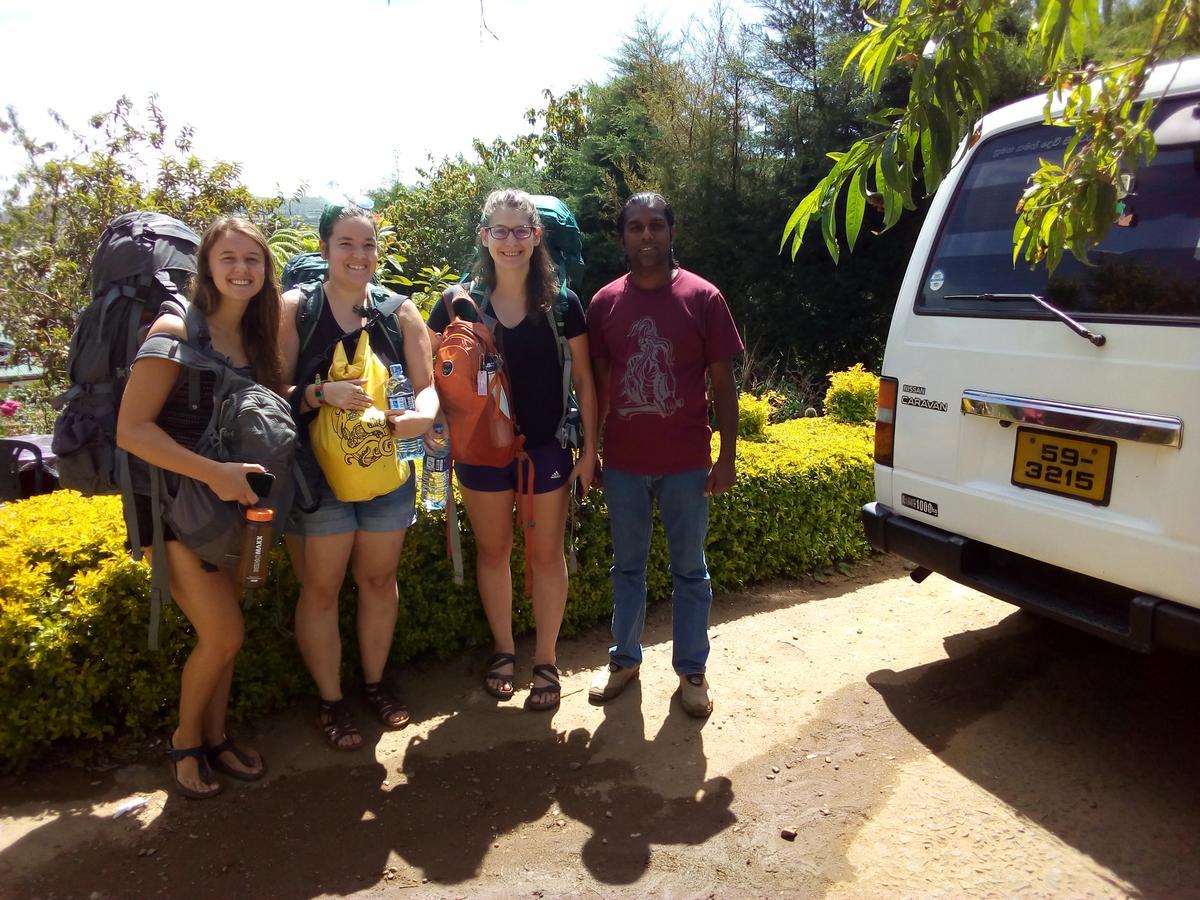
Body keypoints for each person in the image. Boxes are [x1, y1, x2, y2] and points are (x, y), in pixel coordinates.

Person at [117, 217, 282, 797]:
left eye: (253, 260)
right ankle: (184, 742)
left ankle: (217, 738)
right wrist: (215, 474)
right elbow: (132, 430)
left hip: (234, 510)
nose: (242, 269)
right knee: (224, 634)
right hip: (177, 511)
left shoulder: (256, 341)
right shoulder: (176, 327)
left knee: (227, 633)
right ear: (207, 267)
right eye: (229, 258)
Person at [427, 188, 598, 711]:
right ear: (484, 236)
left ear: (537, 236)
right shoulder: (457, 305)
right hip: (481, 451)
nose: (510, 241)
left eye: (521, 230)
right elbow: (432, 371)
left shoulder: (562, 305)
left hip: (546, 448)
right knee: (495, 553)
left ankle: (545, 658)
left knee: (546, 556)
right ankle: (504, 650)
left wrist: (590, 453)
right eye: (499, 230)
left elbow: (586, 383)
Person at [280, 205, 437, 750]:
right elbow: (270, 395)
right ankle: (331, 700)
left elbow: (427, 386)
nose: (358, 255)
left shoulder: (399, 312)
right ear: (325, 248)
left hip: (385, 470)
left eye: (368, 244)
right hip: (314, 478)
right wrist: (320, 394)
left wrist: (425, 412)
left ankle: (373, 684)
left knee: (377, 581)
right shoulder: (295, 310)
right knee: (320, 588)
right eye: (346, 244)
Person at [586, 192, 742, 718]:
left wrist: (727, 455)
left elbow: (724, 383)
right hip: (625, 463)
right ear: (622, 237)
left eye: (656, 226)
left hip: (686, 462)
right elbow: (601, 384)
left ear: (672, 232)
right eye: (636, 227)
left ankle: (691, 673)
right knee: (626, 568)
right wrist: (593, 451)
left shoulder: (703, 298)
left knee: (689, 571)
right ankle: (624, 660)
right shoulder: (605, 303)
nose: (646, 236)